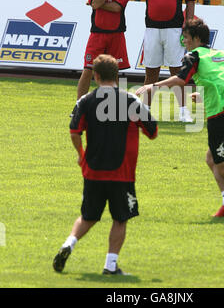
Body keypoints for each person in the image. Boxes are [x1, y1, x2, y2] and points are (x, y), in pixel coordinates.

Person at [136, 19, 224, 217]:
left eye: (185, 38)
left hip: (220, 115)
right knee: (211, 158)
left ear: (195, 38)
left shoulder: (193, 56)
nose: (183, 41)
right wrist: (203, 95)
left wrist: (152, 86)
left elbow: (180, 79)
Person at [53, 55, 158, 274]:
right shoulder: (130, 101)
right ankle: (110, 266)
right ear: (117, 75)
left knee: (88, 216)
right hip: (122, 173)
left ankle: (68, 243)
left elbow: (74, 132)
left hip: (93, 170)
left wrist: (81, 154)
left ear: (96, 76)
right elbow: (153, 131)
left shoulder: (85, 101)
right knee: (121, 218)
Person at [136, 0, 196, 122]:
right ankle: (145, 111)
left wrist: (189, 24)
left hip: (174, 29)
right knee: (151, 72)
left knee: (177, 71)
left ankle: (183, 111)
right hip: (152, 28)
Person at [77, 0, 131, 100]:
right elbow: (95, 4)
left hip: (116, 35)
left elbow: (116, 8)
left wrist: (98, 3)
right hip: (97, 35)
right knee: (88, 70)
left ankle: (115, 107)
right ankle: (78, 107)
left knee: (115, 72)